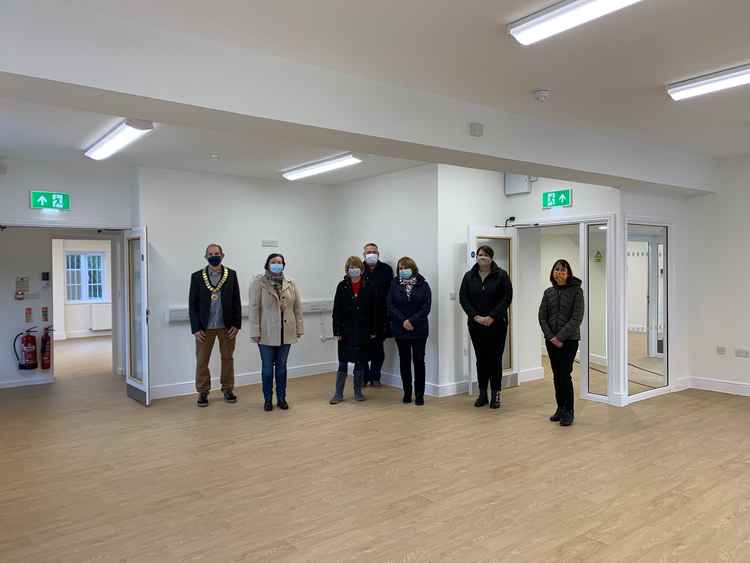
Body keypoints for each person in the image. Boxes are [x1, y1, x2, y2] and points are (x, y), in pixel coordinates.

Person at [459, 245, 513, 410]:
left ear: (491, 257)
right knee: (481, 359)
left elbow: (506, 298)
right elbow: (463, 298)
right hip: (476, 325)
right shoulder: (469, 276)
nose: (482, 257)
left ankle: (496, 394)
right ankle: (482, 393)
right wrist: (475, 316)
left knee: (495, 359)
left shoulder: (502, 275)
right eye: (480, 254)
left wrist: (492, 316)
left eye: (485, 255)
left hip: (497, 324)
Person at [188, 244, 242, 408]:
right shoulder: (197, 276)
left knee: (227, 359)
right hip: (205, 328)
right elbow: (192, 304)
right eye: (210, 254)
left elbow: (236, 301)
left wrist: (236, 324)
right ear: (206, 257)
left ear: (222, 255)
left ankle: (227, 389)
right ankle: (203, 391)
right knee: (202, 361)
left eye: (216, 253)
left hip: (227, 326)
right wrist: (196, 328)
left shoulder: (231, 275)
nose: (214, 256)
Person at [249, 253, 304, 412]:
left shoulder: (291, 283)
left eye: (280, 262)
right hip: (265, 333)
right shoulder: (259, 283)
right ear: (267, 264)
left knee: (281, 368)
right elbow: (254, 309)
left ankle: (281, 398)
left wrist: (299, 328)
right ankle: (268, 400)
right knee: (267, 369)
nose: (277, 264)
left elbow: (298, 307)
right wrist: (255, 331)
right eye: (273, 262)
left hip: (286, 332)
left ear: (284, 265)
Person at [538, 259, 584, 427]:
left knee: (565, 374)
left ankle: (569, 411)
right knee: (557, 376)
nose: (559, 272)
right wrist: (551, 337)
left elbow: (576, 318)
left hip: (569, 341)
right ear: (552, 272)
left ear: (568, 273)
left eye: (563, 270)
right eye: (556, 269)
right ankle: (560, 408)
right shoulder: (548, 292)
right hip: (551, 341)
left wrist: (560, 338)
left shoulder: (577, 292)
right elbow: (542, 316)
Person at [330, 256, 377, 404]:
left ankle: (358, 392)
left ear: (361, 270)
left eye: (356, 267)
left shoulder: (369, 286)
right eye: (351, 267)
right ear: (347, 269)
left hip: (363, 330)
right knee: (343, 363)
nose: (354, 269)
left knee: (360, 362)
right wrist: (336, 331)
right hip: (345, 332)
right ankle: (338, 393)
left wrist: (373, 330)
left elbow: (374, 310)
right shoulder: (342, 286)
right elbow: (336, 310)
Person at [388, 257, 431, 406]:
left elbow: (426, 308)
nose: (402, 270)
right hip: (400, 329)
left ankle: (420, 395)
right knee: (404, 361)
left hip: (419, 329)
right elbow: (391, 306)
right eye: (400, 268)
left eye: (405, 267)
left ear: (413, 268)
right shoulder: (394, 284)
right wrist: (404, 321)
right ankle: (407, 392)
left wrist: (412, 321)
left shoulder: (423, 285)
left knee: (419, 361)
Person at [361, 243, 393, 387]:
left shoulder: (386, 270)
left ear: (378, 254)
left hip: (380, 316)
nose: (371, 254)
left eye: (374, 251)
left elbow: (390, 293)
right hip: (362, 316)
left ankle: (375, 377)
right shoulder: (358, 269)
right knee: (362, 349)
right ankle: (364, 377)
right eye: (368, 252)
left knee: (378, 350)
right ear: (364, 254)